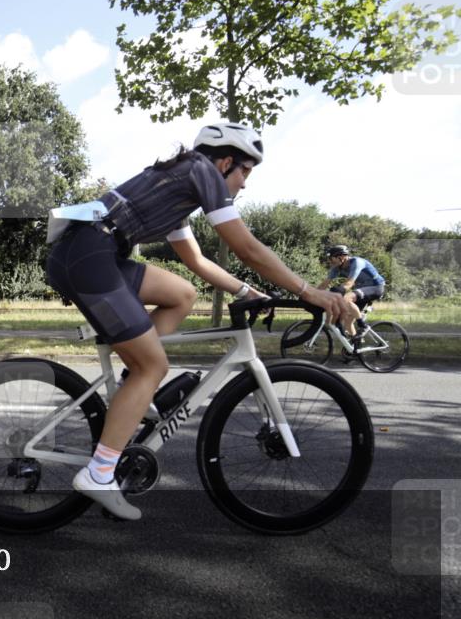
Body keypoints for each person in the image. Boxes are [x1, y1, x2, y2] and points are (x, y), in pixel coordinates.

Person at [45, 122, 355, 520]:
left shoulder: (181, 186)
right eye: (246, 172)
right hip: (88, 256)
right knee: (153, 365)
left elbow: (196, 262)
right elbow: (245, 247)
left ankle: (132, 391)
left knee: (182, 294)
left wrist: (247, 293)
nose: (245, 185)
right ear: (226, 162)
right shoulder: (201, 171)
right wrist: (307, 290)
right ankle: (100, 472)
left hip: (92, 252)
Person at [318, 244, 386, 344]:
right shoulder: (336, 268)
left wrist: (337, 290)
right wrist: (311, 294)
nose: (329, 261)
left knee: (346, 298)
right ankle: (356, 346)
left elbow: (349, 283)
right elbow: (324, 284)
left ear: (341, 257)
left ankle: (363, 326)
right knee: (348, 322)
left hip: (376, 287)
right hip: (361, 291)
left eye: (331, 259)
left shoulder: (357, 262)